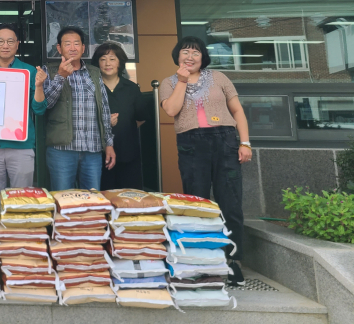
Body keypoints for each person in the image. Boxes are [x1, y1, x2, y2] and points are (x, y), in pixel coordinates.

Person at [160, 36, 251, 287]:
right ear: (177, 56)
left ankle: (233, 261)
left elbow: (237, 110)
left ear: (203, 57)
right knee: (196, 204)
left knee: (230, 203)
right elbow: (171, 110)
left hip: (225, 141)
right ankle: (200, 262)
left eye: (196, 52)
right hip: (191, 144)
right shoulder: (169, 82)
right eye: (185, 52)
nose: (190, 56)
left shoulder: (219, 78)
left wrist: (245, 142)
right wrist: (181, 80)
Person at [43, 26, 116, 191]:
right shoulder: (50, 71)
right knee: (63, 198)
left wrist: (109, 144)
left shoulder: (94, 73)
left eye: (76, 44)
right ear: (59, 48)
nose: (72, 48)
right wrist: (61, 77)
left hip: (92, 149)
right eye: (67, 44)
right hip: (62, 150)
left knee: (92, 199)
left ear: (83, 48)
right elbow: (46, 104)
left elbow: (104, 109)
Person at [0, 23, 47, 198]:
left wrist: (39, 86)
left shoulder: (29, 71)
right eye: (0, 41)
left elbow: (39, 109)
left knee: (21, 199)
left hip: (21, 146)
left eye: (10, 41)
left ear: (17, 45)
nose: (5, 45)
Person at [92, 41, 151, 191]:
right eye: (103, 59)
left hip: (128, 151)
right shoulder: (91, 88)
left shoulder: (131, 88)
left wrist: (124, 125)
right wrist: (104, 125)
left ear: (120, 62)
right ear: (97, 63)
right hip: (98, 154)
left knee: (130, 195)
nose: (107, 63)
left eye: (112, 59)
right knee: (103, 196)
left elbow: (141, 117)